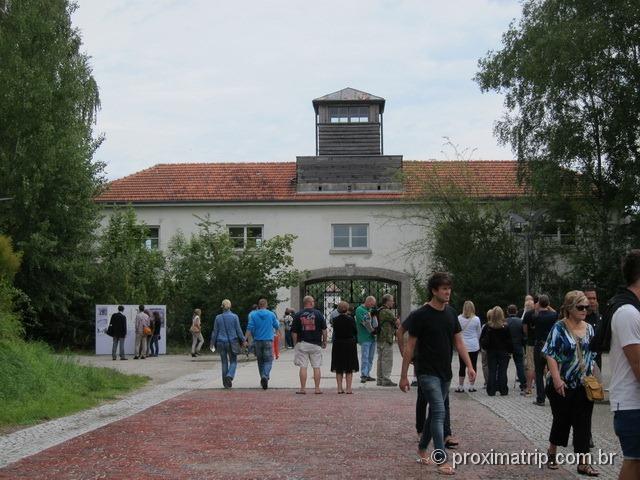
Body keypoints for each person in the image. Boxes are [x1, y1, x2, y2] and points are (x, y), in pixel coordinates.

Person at [400, 272, 476, 475]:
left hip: (445, 372)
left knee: (434, 412)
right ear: (434, 291)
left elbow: (459, 342)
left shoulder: (451, 313)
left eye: (449, 288)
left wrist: (469, 365)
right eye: (444, 289)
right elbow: (410, 346)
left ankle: (422, 448)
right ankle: (441, 459)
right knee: (440, 412)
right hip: (426, 372)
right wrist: (403, 374)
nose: (448, 292)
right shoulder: (420, 315)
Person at [543, 290, 598, 476]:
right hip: (562, 383)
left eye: (586, 307)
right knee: (561, 420)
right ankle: (552, 452)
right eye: (580, 307)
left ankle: (583, 463)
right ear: (569, 308)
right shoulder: (559, 327)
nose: (585, 310)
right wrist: (557, 379)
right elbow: (550, 353)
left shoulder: (590, 328)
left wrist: (593, 378)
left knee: (583, 423)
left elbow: (592, 355)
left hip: (583, 384)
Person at [608, 250, 640, 480]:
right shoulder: (627, 313)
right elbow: (638, 364)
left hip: (633, 404)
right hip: (632, 405)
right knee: (635, 461)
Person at [291, 295, 328, 394]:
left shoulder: (298, 314)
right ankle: (317, 388)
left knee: (303, 366)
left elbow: (294, 332)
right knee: (316, 366)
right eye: (313, 301)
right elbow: (324, 330)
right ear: (311, 303)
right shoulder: (319, 314)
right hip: (316, 344)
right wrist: (324, 341)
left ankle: (303, 389)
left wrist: (295, 344)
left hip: (302, 343)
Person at [212, 299, 247, 389]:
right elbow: (238, 330)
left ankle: (225, 384)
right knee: (233, 361)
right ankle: (230, 375)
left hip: (220, 342)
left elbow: (215, 332)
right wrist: (243, 340)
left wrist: (212, 343)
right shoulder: (234, 317)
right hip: (232, 342)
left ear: (222, 307)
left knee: (224, 363)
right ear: (230, 306)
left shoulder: (218, 317)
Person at [246, 298, 280, 389]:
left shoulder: (253, 315)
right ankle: (265, 376)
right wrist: (278, 331)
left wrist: (244, 339)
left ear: (259, 305)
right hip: (268, 340)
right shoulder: (271, 314)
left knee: (260, 361)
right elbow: (276, 325)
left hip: (257, 341)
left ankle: (262, 377)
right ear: (266, 305)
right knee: (268, 360)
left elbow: (249, 328)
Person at [481, 306, 513, 396]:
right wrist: (510, 351)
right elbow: (509, 341)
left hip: (491, 351)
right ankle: (503, 389)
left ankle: (491, 390)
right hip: (503, 351)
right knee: (503, 371)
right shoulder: (505, 327)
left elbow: (482, 339)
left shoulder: (488, 326)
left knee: (492, 370)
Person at [532, 295, 558, 406]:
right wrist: (548, 306)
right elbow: (556, 312)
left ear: (538, 303)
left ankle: (540, 398)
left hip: (538, 345)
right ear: (548, 304)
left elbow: (535, 315)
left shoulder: (536, 316)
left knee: (538, 372)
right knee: (552, 371)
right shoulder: (553, 315)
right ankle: (553, 395)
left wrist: (538, 307)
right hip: (550, 345)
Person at [330, 300, 359, 394]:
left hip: (338, 343)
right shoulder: (351, 319)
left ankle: (339, 388)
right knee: (349, 367)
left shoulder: (335, 320)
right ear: (347, 309)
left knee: (339, 367)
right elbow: (355, 331)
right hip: (349, 343)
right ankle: (348, 388)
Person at [455, 300, 481, 392]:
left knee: (462, 365)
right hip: (474, 345)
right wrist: (475, 340)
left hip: (463, 345)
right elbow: (479, 333)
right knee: (473, 365)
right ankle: (471, 385)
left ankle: (461, 386)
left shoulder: (458, 318)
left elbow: (456, 332)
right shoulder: (476, 319)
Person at [376, 294, 398, 386]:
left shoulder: (379, 310)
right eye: (392, 300)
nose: (393, 302)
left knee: (380, 359)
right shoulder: (387, 312)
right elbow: (397, 322)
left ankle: (380, 379)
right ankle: (386, 379)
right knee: (387, 360)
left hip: (380, 338)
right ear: (387, 301)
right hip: (387, 338)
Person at [355, 296, 377, 383]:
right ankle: (364, 374)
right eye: (371, 304)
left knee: (370, 357)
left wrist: (374, 316)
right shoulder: (359, 310)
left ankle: (368, 374)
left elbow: (374, 323)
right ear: (367, 301)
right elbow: (364, 322)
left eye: (373, 305)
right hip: (364, 337)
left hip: (372, 338)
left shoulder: (370, 310)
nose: (372, 306)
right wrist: (372, 331)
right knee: (365, 356)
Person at [506, 304, 527, 393]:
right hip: (518, 345)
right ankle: (523, 384)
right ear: (517, 311)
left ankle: (502, 383)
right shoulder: (520, 321)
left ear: (507, 312)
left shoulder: (505, 322)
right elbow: (524, 335)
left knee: (504, 366)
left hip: (507, 346)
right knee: (520, 366)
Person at [583, 285, 602, 372]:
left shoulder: (599, 318)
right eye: (589, 298)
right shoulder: (577, 318)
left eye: (594, 298)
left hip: (596, 362)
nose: (592, 301)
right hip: (580, 363)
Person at [521, 297, 536, 395]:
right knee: (543, 366)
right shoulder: (540, 313)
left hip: (531, 343)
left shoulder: (527, 315)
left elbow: (525, 330)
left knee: (530, 366)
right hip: (542, 342)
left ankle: (529, 388)